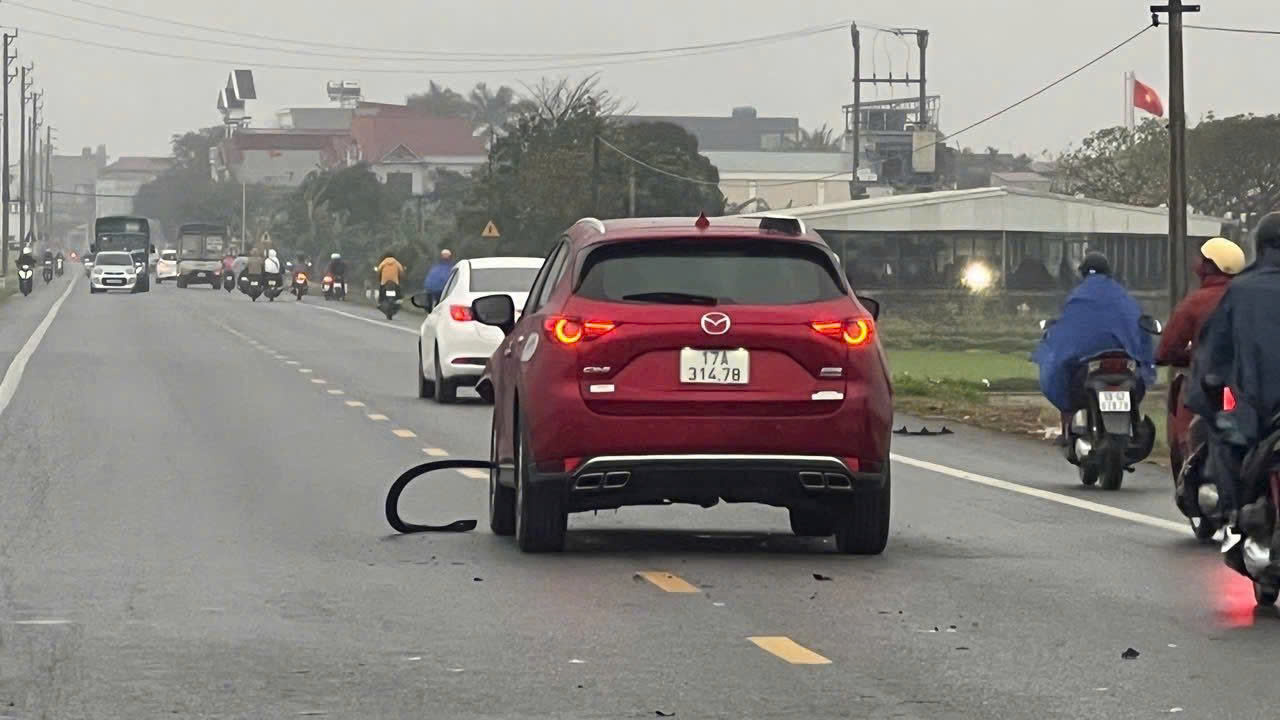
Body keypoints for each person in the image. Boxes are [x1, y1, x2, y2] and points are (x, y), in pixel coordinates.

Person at [1190, 213, 1280, 522]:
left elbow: (1215, 352)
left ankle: (1234, 512)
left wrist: (1205, 394)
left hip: (1257, 411)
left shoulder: (1240, 291)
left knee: (1225, 438)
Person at [1032, 251, 1156, 438]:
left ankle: (1069, 430)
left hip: (1089, 365)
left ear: (1082, 273)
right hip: (1124, 363)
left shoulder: (1078, 297)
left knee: (1058, 366)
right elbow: (1138, 328)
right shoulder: (1123, 297)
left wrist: (1053, 337)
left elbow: (1066, 333)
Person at [1156, 237, 1246, 471]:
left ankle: (1189, 453)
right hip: (1250, 381)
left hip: (1210, 381)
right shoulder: (1252, 297)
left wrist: (1188, 356)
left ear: (1208, 267)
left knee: (1189, 403)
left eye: (1202, 260)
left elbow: (1167, 350)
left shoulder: (1195, 302)